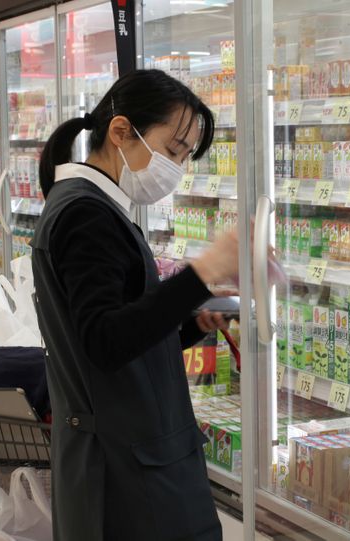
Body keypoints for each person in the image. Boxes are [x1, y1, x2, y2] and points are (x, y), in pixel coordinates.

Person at [31, 69, 239, 541]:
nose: (176, 168)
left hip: (128, 455)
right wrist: (202, 274)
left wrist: (191, 324)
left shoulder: (86, 205)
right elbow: (104, 341)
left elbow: (118, 329)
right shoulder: (87, 215)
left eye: (184, 157)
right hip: (126, 469)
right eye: (172, 150)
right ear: (121, 131)